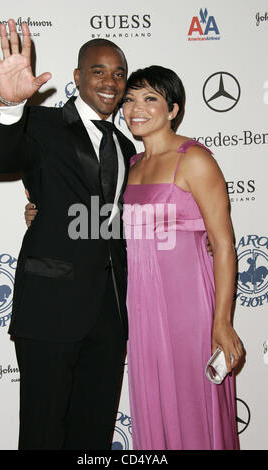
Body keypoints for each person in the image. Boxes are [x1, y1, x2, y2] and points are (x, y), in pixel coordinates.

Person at [0, 19, 136, 449]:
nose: (111, 81)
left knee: (94, 434)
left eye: (119, 73)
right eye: (99, 70)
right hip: (50, 310)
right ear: (78, 77)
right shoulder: (42, 125)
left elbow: (117, 222)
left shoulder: (126, 147)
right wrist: (9, 106)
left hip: (110, 316)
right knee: (43, 433)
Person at [121, 65, 243, 450]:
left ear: (172, 109)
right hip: (142, 308)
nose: (136, 108)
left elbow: (223, 244)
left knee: (193, 405)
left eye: (149, 99)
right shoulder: (131, 165)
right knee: (154, 401)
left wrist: (222, 322)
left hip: (188, 306)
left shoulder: (194, 160)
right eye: (129, 99)